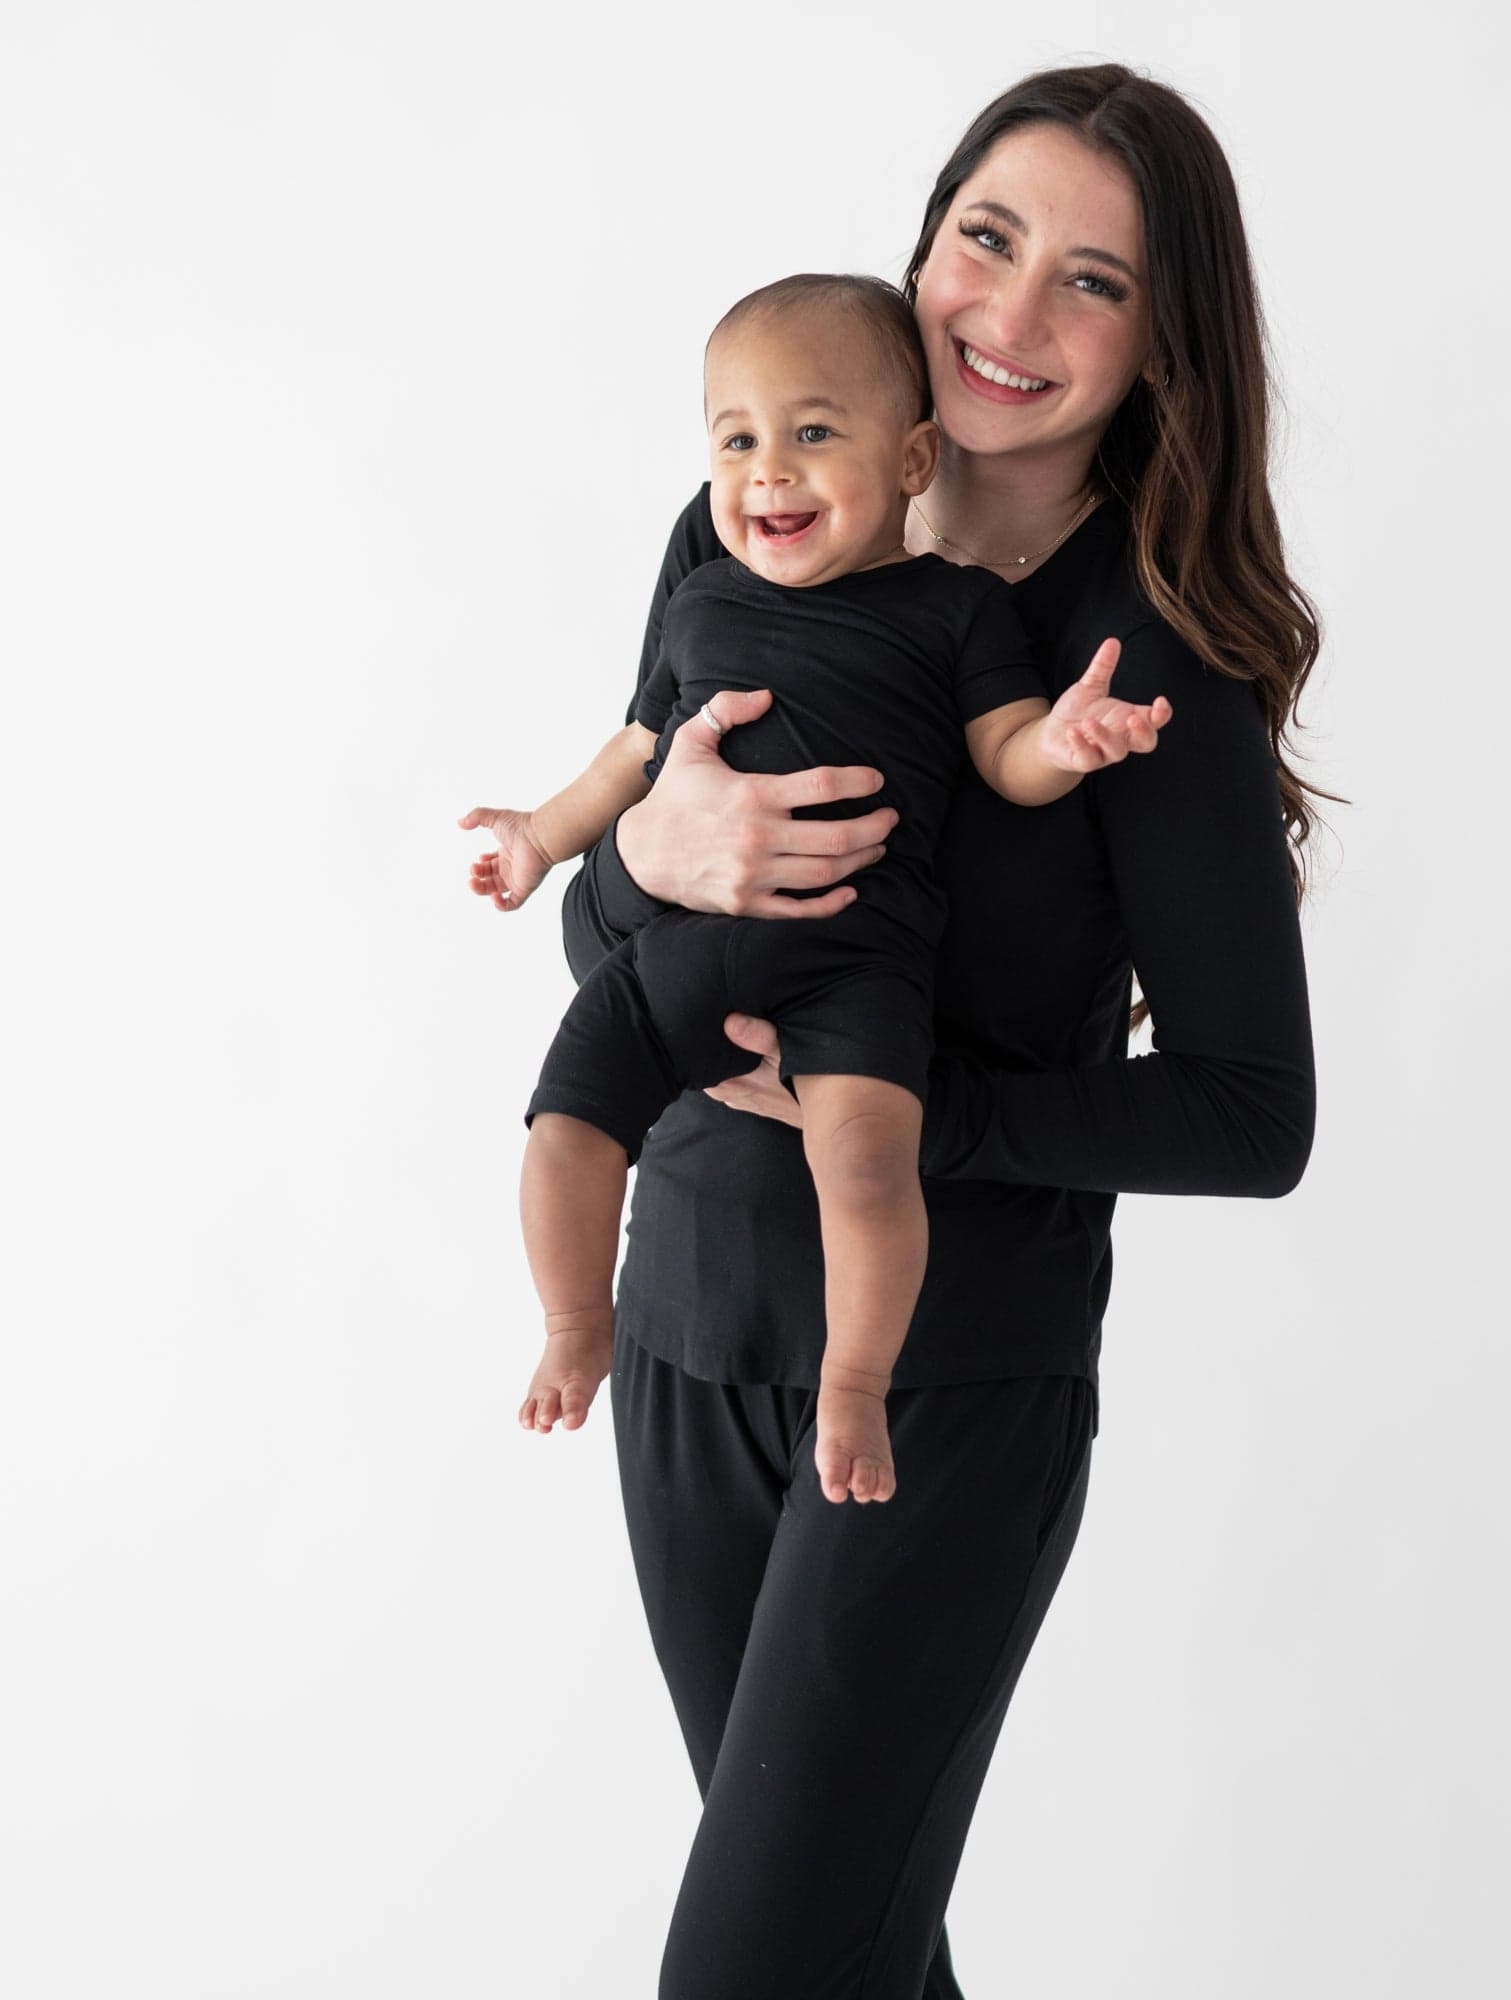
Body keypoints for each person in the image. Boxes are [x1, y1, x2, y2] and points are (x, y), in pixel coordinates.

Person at [458, 60, 1325, 2000]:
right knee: (847, 1966)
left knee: (754, 1974)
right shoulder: (746, 516)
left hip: (935, 1396)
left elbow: (1250, 1115)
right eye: (987, 241)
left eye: (1092, 283)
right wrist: (637, 865)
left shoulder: (1144, 652)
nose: (1011, 316)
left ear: (1159, 344)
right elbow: (623, 931)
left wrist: (921, 1122)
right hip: (678, 1337)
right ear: (923, 249)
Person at [506, 272, 1173, 1507]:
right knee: (563, 1125)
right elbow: (631, 758)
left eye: (813, 434)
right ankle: (570, 1320)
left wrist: (1066, 743)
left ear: (912, 454)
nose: (770, 472)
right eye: (738, 438)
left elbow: (1002, 754)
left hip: (856, 972)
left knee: (867, 1168)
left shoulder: (953, 611)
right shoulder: (701, 594)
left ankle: (854, 1381)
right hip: (679, 965)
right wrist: (541, 838)